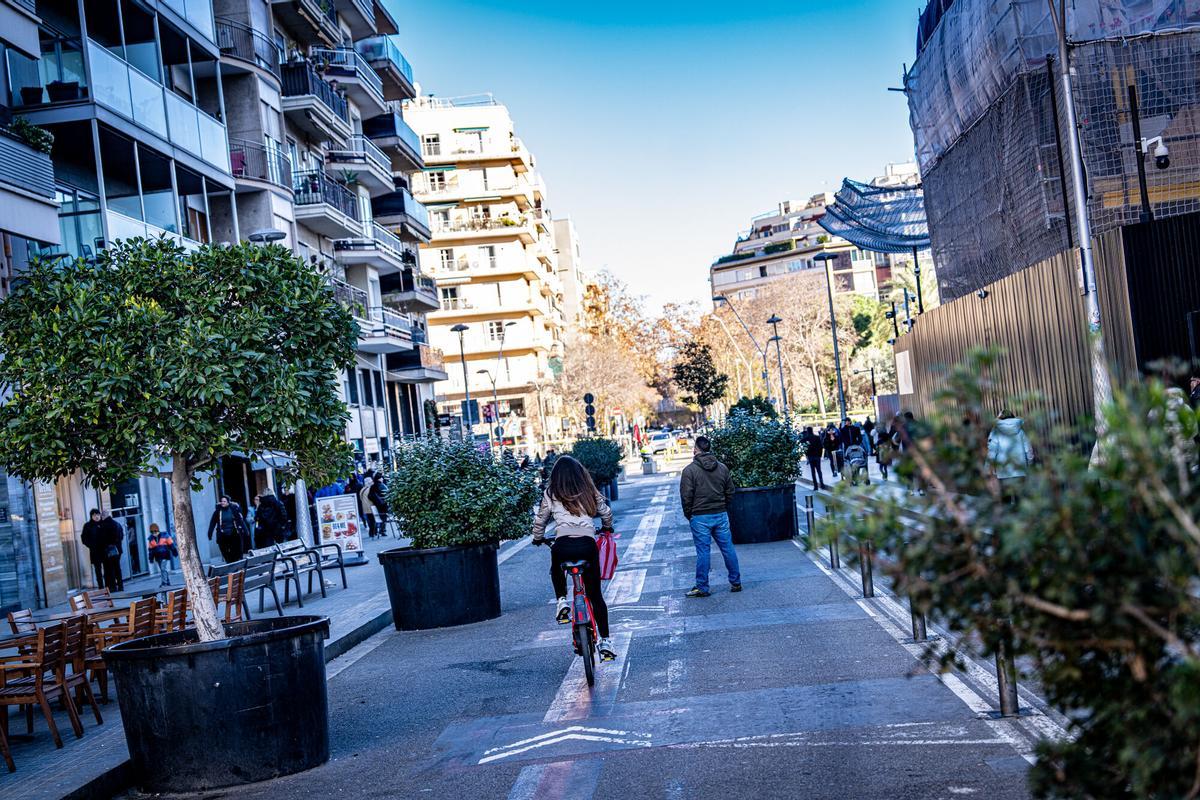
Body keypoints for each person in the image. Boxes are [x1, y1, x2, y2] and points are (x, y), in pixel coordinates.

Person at [531, 455, 616, 662]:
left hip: (563, 545)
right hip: (587, 545)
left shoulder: (551, 492)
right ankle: (605, 641)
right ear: (580, 473)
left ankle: (561, 601)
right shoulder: (588, 490)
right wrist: (606, 527)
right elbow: (606, 513)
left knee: (556, 564)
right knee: (595, 596)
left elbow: (540, 519)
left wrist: (538, 538)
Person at [679, 436, 742, 598]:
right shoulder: (722, 468)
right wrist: (723, 506)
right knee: (728, 548)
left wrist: (690, 515)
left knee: (703, 552)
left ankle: (702, 587)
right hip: (720, 513)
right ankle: (736, 582)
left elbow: (686, 497)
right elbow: (730, 491)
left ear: (696, 449)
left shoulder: (689, 471)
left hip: (700, 517)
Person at [988, 410, 1034, 496]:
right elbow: (1028, 450)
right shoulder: (1021, 432)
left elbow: (992, 452)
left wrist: (989, 468)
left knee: (1006, 498)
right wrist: (1029, 463)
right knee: (1020, 498)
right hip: (1020, 469)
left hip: (1003, 471)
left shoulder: (995, 432)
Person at [81, 509, 124, 591]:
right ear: (91, 516)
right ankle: (101, 587)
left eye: (97, 514)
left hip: (105, 551)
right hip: (95, 551)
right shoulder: (87, 526)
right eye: (94, 515)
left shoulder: (104, 523)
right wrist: (91, 545)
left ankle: (110, 586)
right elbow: (84, 538)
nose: (96, 517)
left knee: (109, 569)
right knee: (98, 570)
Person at [207, 495, 250, 563]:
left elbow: (240, 521)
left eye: (224, 501)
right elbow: (212, 522)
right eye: (221, 501)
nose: (222, 503)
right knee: (225, 553)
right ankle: (230, 565)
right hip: (222, 535)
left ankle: (235, 566)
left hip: (233, 534)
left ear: (228, 502)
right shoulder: (218, 511)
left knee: (235, 553)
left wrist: (246, 531)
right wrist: (210, 533)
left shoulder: (233, 510)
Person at [368, 473, 390, 538]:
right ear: (379, 479)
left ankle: (377, 530)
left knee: (378, 518)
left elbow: (369, 496)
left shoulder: (372, 486)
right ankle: (382, 530)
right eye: (381, 478)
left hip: (376, 505)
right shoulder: (382, 486)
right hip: (383, 505)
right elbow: (387, 494)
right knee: (384, 518)